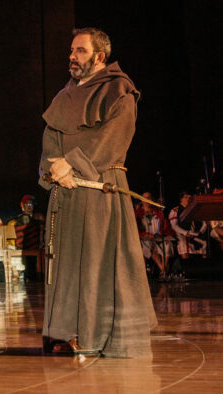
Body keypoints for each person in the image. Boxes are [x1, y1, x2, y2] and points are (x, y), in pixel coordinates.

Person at [38, 27, 157, 358]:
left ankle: (97, 335)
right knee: (65, 264)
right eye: (72, 51)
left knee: (97, 263)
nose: (72, 56)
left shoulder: (120, 90)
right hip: (66, 192)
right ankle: (67, 333)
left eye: (79, 51)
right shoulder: (64, 94)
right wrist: (54, 168)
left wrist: (71, 165)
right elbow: (50, 136)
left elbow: (114, 138)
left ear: (100, 56)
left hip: (99, 187)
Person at [136, 195, 175, 281]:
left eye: (149, 198)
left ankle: (164, 266)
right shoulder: (138, 213)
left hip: (157, 237)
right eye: (145, 198)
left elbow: (166, 226)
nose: (147, 200)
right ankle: (163, 269)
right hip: (145, 238)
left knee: (168, 244)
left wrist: (162, 234)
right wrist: (145, 234)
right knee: (149, 245)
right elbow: (135, 229)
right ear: (142, 200)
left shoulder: (158, 212)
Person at [169, 191, 208, 259]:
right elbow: (174, 225)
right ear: (181, 199)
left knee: (204, 244)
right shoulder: (175, 210)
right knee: (183, 243)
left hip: (196, 234)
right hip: (183, 235)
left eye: (190, 197)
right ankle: (186, 265)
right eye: (186, 197)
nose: (188, 199)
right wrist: (185, 233)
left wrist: (200, 232)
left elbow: (204, 223)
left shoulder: (195, 209)